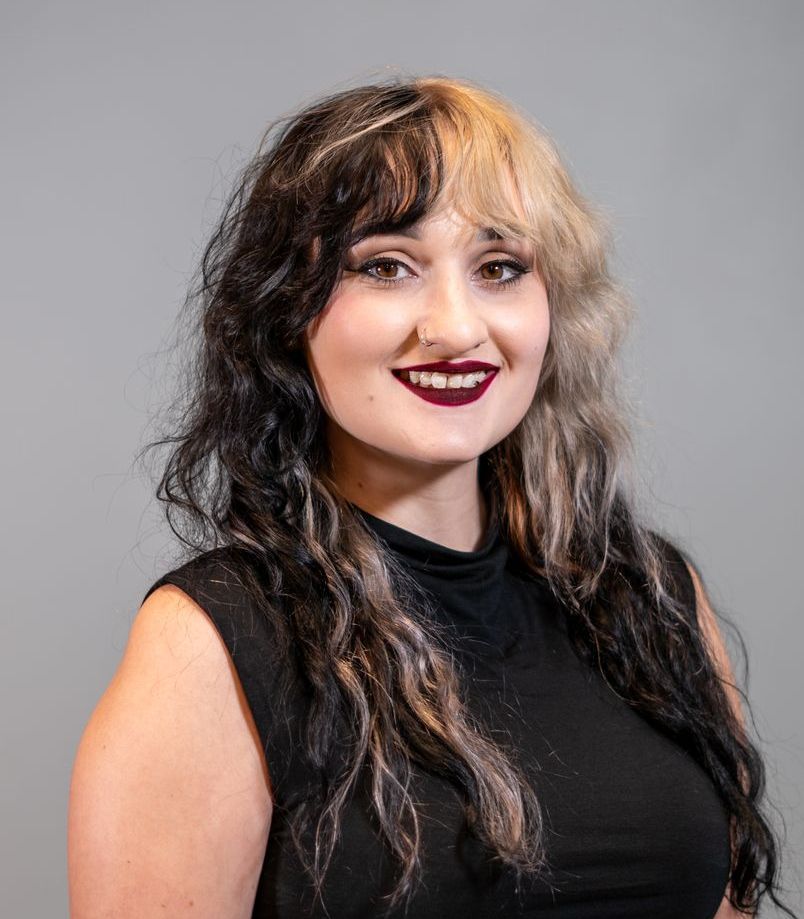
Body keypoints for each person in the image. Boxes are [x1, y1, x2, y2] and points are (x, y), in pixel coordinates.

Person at [67, 76, 793, 919]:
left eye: (499, 267)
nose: (454, 326)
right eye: (386, 266)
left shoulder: (652, 598)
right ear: (285, 312)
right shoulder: (215, 640)